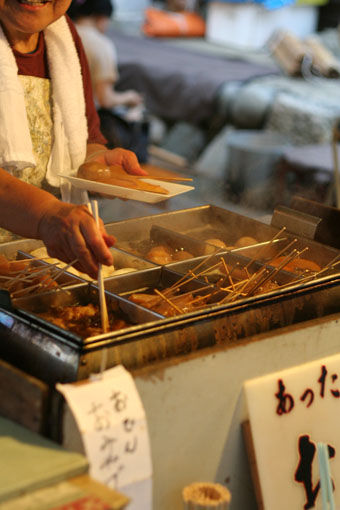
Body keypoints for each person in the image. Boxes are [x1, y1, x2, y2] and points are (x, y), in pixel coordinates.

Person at [0, 0, 147, 279]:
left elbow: (86, 138)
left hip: (40, 260)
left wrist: (95, 163)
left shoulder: (63, 36)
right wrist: (46, 215)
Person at [67, 0, 149, 162]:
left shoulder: (62, 34)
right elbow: (105, 99)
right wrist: (130, 97)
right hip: (85, 127)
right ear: (102, 17)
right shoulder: (101, 45)